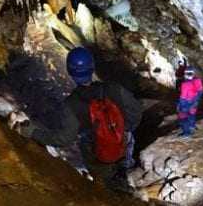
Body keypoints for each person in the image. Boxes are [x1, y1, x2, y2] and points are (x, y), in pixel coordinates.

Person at [11, 47, 142, 175]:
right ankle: (126, 172)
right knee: (125, 166)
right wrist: (120, 129)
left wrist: (33, 132)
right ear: (92, 67)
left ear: (70, 71)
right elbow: (136, 112)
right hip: (123, 142)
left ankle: (107, 186)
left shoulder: (72, 104)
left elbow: (63, 139)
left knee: (104, 179)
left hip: (97, 153)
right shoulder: (114, 89)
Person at [177, 66, 203, 137]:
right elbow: (200, 91)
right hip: (192, 101)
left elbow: (183, 96)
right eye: (186, 73)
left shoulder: (189, 83)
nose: (187, 75)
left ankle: (186, 133)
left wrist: (181, 105)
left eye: (188, 73)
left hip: (187, 101)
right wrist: (195, 101)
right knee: (191, 114)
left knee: (183, 117)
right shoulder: (195, 81)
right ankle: (192, 127)